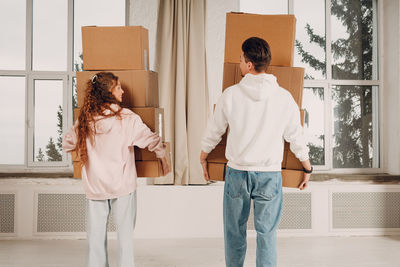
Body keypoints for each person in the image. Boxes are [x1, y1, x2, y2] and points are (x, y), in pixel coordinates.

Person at [200, 37, 312, 267]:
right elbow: (295, 137)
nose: (239, 63)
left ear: (249, 64)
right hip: (269, 175)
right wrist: (307, 167)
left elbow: (214, 131)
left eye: (241, 59)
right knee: (267, 234)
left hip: (237, 173)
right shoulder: (283, 98)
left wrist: (203, 155)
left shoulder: (230, 95)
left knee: (234, 233)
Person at [62, 72, 170, 267]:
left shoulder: (86, 120)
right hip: (123, 187)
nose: (123, 91)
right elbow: (151, 140)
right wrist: (163, 157)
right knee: (125, 240)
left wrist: (82, 157)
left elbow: (67, 143)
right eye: (118, 87)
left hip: (95, 188)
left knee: (95, 241)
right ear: (109, 92)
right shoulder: (126, 118)